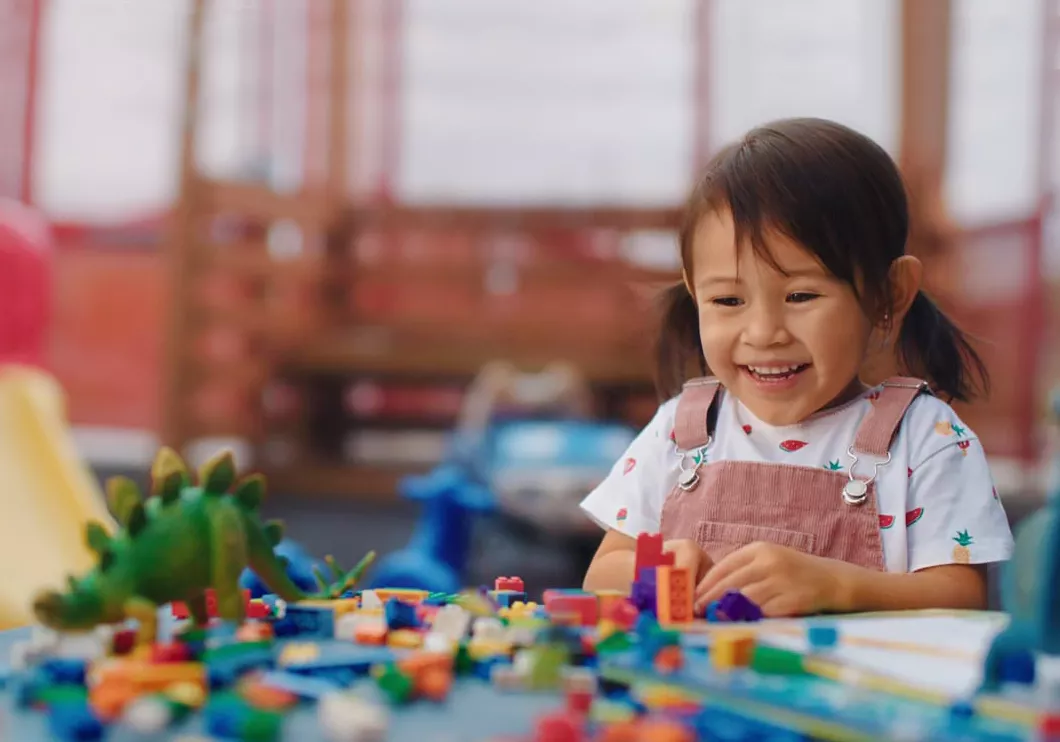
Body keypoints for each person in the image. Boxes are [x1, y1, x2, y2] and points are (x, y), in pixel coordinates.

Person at [580, 117, 1014, 617]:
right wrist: (654, 571)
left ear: (888, 293)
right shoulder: (683, 432)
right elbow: (602, 573)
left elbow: (961, 598)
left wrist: (839, 586)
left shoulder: (927, 440)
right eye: (727, 299)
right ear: (694, 291)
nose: (764, 332)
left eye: (801, 295)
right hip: (694, 692)